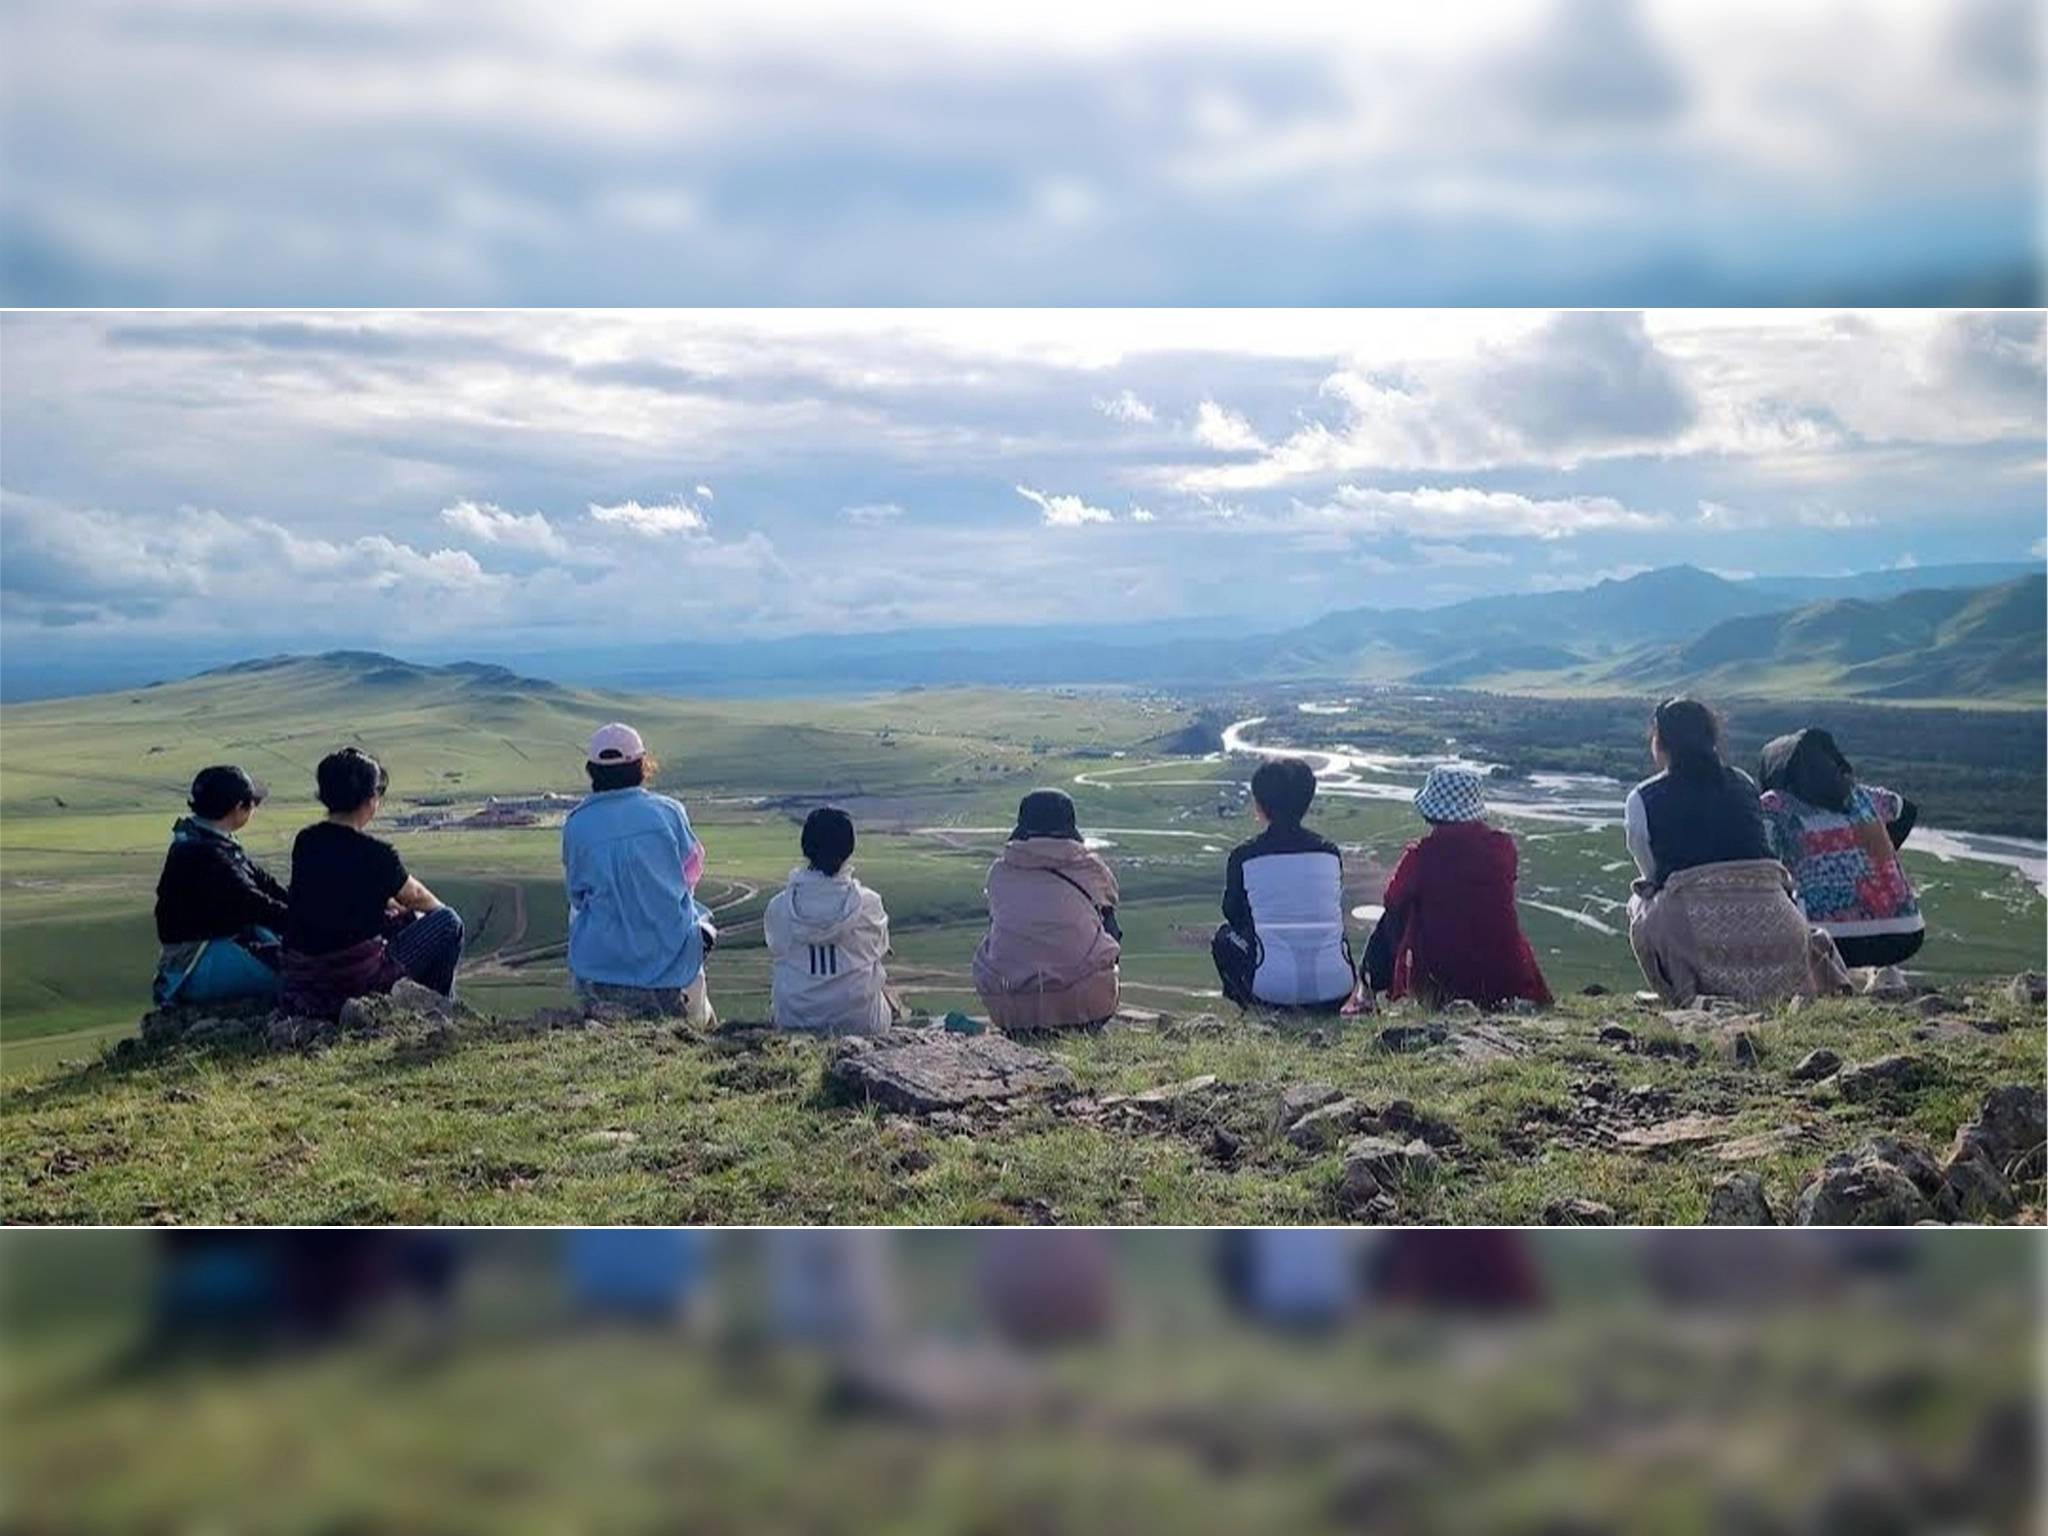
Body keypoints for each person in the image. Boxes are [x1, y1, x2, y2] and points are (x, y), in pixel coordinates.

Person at [1622, 699, 1850, 1007]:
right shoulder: (1742, 783)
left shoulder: (1642, 799)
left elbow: (1652, 875)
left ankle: (1681, 992)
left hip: (1699, 938)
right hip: (1781, 934)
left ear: (1660, 741)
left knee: (1640, 904)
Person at [280, 748, 464, 1018]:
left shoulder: (306, 841)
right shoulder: (377, 854)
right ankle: (434, 1009)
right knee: (449, 922)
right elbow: (415, 895)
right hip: (354, 977)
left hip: (302, 974)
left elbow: (334, 894)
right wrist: (435, 913)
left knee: (401, 918)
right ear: (370, 799)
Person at [562, 723, 717, 1023]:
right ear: (642, 765)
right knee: (698, 918)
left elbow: (577, 895)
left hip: (598, 966)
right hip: (671, 964)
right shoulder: (669, 812)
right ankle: (700, 1018)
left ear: (592, 770)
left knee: (578, 914)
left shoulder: (576, 824)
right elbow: (691, 872)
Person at [1361, 765, 1550, 1011]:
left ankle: (1369, 992)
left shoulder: (1422, 856)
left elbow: (1392, 901)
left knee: (1391, 917)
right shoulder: (1503, 848)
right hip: (1507, 980)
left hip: (1441, 983)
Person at [1757, 728, 1925, 972]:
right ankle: (1885, 974)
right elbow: (1905, 810)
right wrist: (1873, 857)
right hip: (1906, 934)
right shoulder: (1861, 796)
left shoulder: (1776, 803)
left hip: (1827, 941)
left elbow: (1763, 858)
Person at [971, 789, 1121, 1032]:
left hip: (1010, 1009)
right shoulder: (1091, 869)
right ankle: (1084, 1020)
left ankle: (1026, 1025)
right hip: (1084, 1008)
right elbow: (1112, 927)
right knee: (1108, 931)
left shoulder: (999, 873)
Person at [1212, 758, 1354, 1011]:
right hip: (1337, 987)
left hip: (1271, 992)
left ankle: (1251, 1006)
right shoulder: (1329, 853)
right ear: (1307, 802)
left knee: (1224, 936)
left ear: (1261, 804)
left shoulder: (1245, 856)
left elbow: (1232, 912)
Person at [151, 765, 289, 1007]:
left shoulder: (203, 839)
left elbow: (265, 884)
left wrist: (304, 909)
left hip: (216, 946)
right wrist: (309, 924)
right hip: (197, 963)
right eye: (252, 803)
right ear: (238, 808)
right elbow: (252, 902)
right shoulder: (204, 854)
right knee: (304, 972)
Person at [764, 807, 895, 1035]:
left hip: (794, 1019)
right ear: (849, 848)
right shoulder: (870, 904)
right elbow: (880, 949)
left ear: (806, 847)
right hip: (861, 1023)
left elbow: (777, 949)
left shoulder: (779, 907)